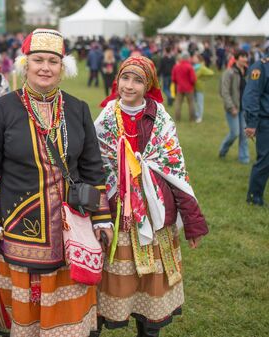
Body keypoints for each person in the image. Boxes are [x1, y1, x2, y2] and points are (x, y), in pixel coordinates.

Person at [0, 28, 113, 336]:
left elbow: (93, 167)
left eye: (53, 61)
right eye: (38, 60)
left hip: (71, 228)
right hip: (19, 226)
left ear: (62, 68)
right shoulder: (3, 108)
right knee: (27, 314)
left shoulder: (78, 109)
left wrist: (102, 218)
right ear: (25, 64)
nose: (45, 68)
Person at [94, 56, 209, 337]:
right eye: (125, 78)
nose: (129, 86)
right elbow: (95, 170)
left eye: (137, 80)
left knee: (151, 292)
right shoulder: (106, 119)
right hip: (118, 218)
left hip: (156, 221)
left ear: (149, 85)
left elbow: (176, 173)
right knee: (111, 286)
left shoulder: (161, 120)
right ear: (116, 80)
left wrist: (194, 224)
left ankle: (148, 330)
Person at [243, 56, 269, 206]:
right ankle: (254, 196)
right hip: (265, 121)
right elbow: (251, 95)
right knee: (265, 160)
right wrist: (252, 123)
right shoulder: (261, 67)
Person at [219, 50, 249, 164]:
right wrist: (231, 107)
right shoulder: (229, 72)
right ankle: (223, 151)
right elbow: (224, 91)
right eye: (243, 56)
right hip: (233, 108)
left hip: (245, 108)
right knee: (235, 133)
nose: (245, 58)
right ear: (236, 58)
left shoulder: (248, 72)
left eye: (246, 56)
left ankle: (244, 158)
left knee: (244, 134)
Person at [171, 52, 196, 122]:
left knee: (178, 103)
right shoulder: (189, 67)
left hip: (180, 87)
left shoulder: (176, 66)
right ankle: (192, 118)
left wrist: (177, 83)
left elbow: (173, 78)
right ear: (188, 58)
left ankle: (177, 118)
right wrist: (192, 85)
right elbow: (193, 79)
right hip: (189, 88)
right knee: (191, 103)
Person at [192, 53, 214, 123]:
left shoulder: (201, 67)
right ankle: (196, 114)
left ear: (199, 59)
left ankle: (200, 117)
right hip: (193, 87)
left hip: (199, 87)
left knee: (199, 102)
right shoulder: (194, 67)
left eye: (195, 58)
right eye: (193, 58)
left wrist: (203, 78)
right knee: (195, 102)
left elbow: (211, 73)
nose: (193, 59)